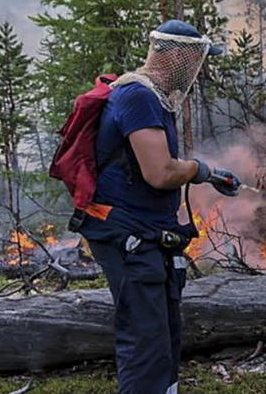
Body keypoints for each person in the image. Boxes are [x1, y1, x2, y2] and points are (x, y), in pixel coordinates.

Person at [78, 20, 241, 394]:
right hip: (127, 235)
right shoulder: (139, 97)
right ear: (179, 56)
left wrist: (211, 175)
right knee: (146, 340)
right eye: (198, 58)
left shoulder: (151, 96)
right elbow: (160, 173)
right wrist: (202, 170)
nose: (199, 69)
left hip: (146, 234)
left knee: (163, 328)